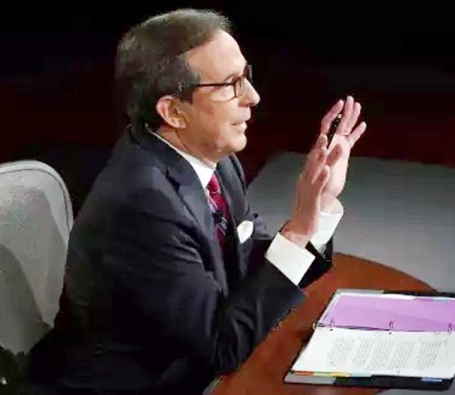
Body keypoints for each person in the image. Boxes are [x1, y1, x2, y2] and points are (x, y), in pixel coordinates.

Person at [24, 8, 366, 395]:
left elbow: (247, 267)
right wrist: (299, 229)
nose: (252, 97)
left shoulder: (213, 161)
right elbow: (222, 346)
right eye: (229, 85)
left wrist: (318, 206)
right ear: (172, 111)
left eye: (246, 76)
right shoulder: (142, 203)